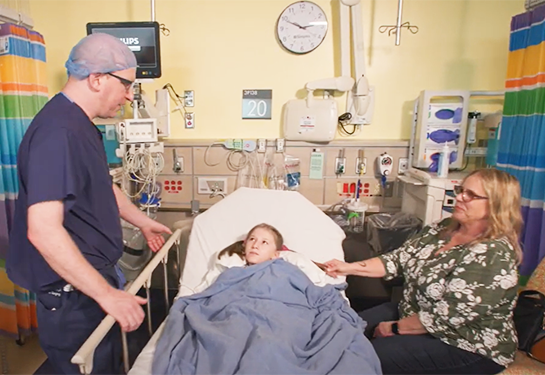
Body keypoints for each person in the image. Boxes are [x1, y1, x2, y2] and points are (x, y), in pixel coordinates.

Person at [6, 33, 172, 375]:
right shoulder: (59, 133)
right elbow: (42, 230)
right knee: (83, 365)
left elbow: (101, 186)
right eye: (126, 84)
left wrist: (141, 220)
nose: (129, 96)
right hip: (73, 295)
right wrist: (107, 295)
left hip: (91, 282)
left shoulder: (81, 126)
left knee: (103, 360)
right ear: (97, 79)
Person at [325, 168, 522, 375]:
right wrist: (347, 267)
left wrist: (393, 328)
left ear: (496, 205)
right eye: (461, 190)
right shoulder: (443, 229)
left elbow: (447, 317)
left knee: (363, 356)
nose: (460, 197)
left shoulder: (491, 254)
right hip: (414, 312)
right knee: (343, 329)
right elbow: (398, 259)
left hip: (466, 343)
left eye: (471, 195)